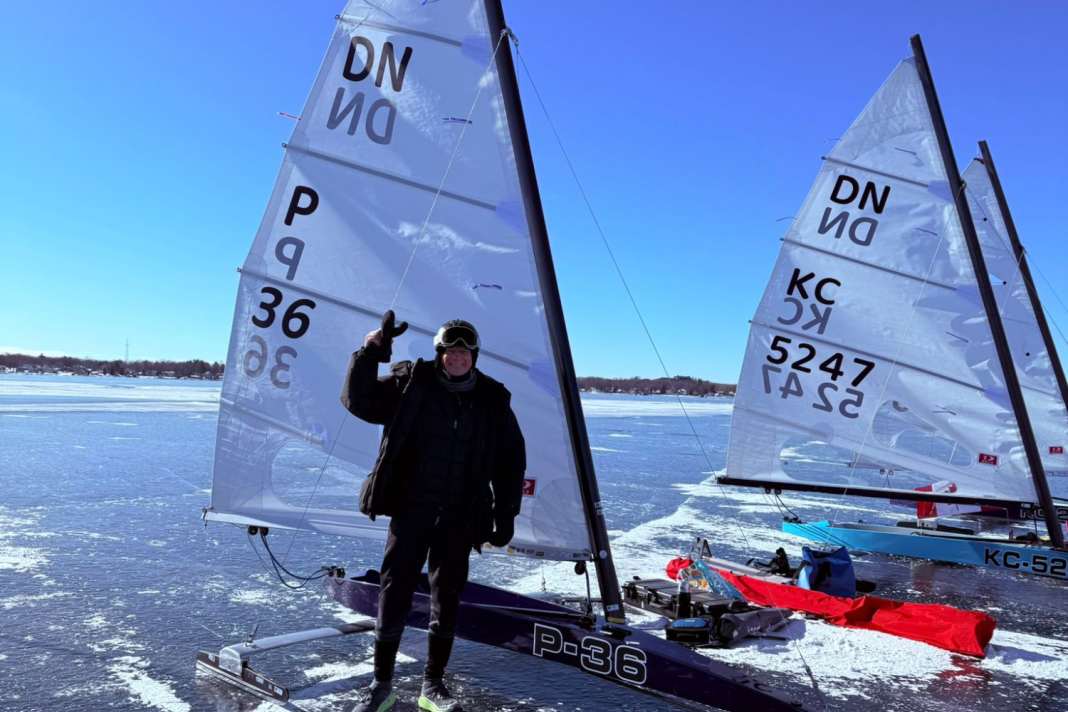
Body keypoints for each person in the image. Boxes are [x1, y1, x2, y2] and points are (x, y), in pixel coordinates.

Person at [341, 312, 526, 712]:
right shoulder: (411, 384)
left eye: (464, 352)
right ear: (439, 353)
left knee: (448, 597)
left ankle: (433, 685)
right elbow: (358, 401)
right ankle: (381, 685)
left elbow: (511, 459)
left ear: (474, 356)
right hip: (412, 510)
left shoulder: (492, 398)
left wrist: (506, 513)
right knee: (395, 592)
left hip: (461, 515)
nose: (457, 358)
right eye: (450, 351)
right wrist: (371, 350)